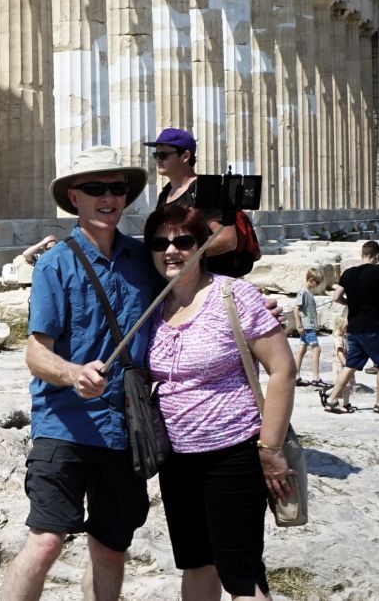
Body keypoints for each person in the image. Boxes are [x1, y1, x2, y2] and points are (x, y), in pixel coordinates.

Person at [0, 146, 157, 601]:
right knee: (47, 541)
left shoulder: (145, 259)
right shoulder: (55, 263)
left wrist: (249, 309)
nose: (108, 197)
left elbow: (195, 287)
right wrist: (72, 373)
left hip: (125, 428)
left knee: (110, 549)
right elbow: (35, 353)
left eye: (117, 188)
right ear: (75, 196)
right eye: (95, 189)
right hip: (64, 424)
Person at [143, 205, 295, 601]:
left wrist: (271, 448)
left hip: (234, 454)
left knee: (241, 575)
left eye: (183, 241)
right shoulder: (153, 305)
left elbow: (283, 370)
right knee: (195, 564)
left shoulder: (235, 295)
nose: (171, 250)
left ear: (204, 245)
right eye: (160, 243)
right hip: (176, 460)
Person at [143, 128, 237, 269]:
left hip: (209, 280)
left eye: (163, 155)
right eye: (156, 155)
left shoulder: (205, 189)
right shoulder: (166, 193)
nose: (158, 160)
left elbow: (227, 240)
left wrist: (182, 255)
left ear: (185, 156)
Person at [325, 241, 379, 415]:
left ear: (362, 254)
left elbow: (336, 297)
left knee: (350, 364)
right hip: (372, 325)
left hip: (353, 326)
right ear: (377, 256)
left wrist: (350, 302)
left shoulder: (348, 273)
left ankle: (332, 399)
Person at [292, 270, 327, 387]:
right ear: (311, 280)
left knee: (302, 350)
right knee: (317, 350)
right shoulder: (303, 292)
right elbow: (296, 309)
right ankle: (316, 378)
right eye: (317, 283)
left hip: (308, 326)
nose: (317, 285)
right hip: (307, 327)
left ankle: (296, 376)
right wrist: (299, 325)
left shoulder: (309, 293)